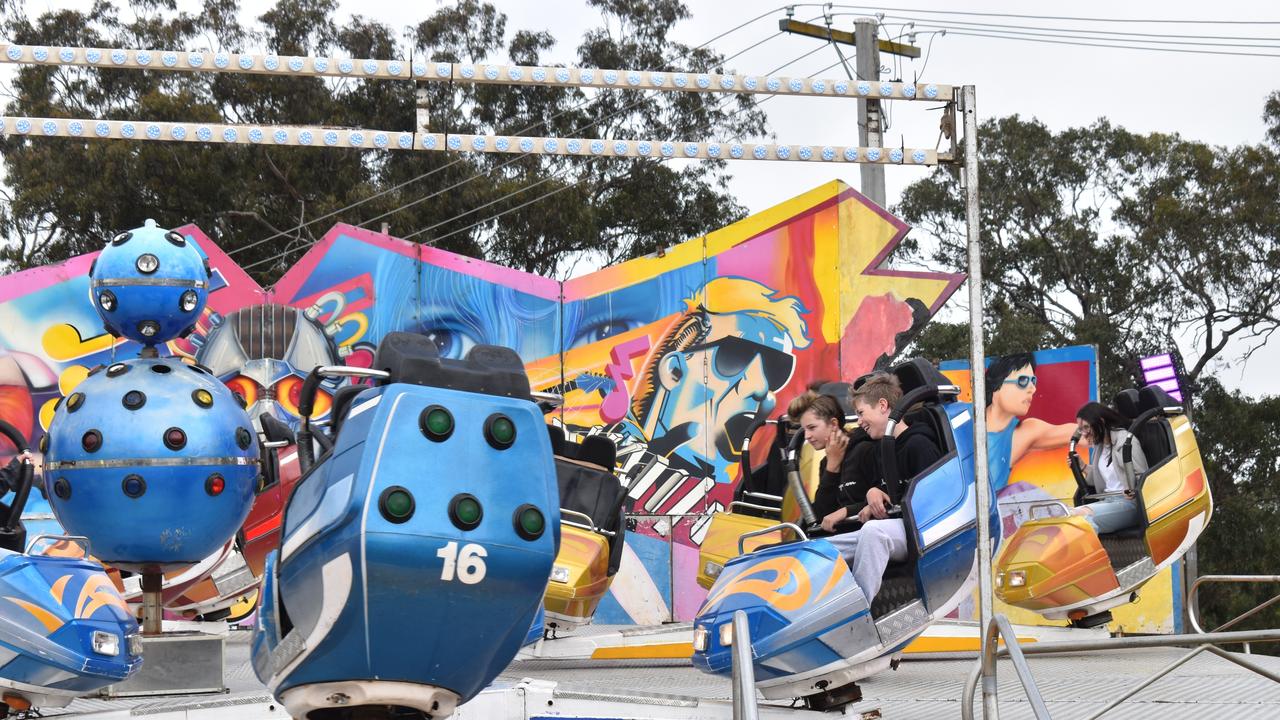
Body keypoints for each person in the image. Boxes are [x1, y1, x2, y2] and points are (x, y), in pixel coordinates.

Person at [619, 276, 811, 481]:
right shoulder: (615, 451)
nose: (760, 387)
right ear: (674, 370)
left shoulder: (756, 477)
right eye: (735, 356)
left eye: (775, 368)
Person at [826, 373, 942, 604]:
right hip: (895, 528)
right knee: (825, 547)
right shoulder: (881, 450)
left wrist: (887, 500)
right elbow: (889, 494)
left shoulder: (919, 445)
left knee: (872, 533)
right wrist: (872, 497)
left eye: (861, 413)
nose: (858, 422)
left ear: (882, 406)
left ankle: (858, 609)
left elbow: (934, 500)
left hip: (922, 530)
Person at [984, 353, 1078, 492]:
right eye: (1022, 381)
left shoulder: (1024, 433)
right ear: (997, 385)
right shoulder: (962, 418)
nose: (1032, 389)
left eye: (1033, 381)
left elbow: (1082, 432)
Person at [786, 391, 876, 533]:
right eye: (804, 430)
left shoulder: (865, 449)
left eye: (812, 428)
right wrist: (832, 467)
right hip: (836, 538)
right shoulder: (826, 462)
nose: (807, 436)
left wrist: (846, 511)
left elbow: (884, 499)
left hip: (863, 534)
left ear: (833, 424)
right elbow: (821, 516)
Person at [1070, 401, 1148, 534]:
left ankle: (1093, 553)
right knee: (1067, 514)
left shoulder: (1126, 441)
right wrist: (1082, 467)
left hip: (1129, 504)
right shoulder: (1100, 448)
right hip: (1108, 501)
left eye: (1086, 427)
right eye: (1081, 429)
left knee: (1082, 519)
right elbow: (1098, 480)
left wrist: (1132, 490)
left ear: (1101, 422)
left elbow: (1144, 478)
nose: (1083, 434)